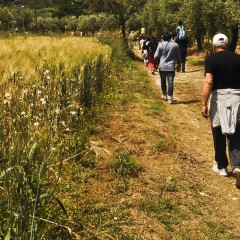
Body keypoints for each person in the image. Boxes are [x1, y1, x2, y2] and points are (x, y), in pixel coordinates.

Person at [201, 33, 240, 188]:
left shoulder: (211, 59)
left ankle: (222, 166)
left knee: (218, 131)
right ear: (227, 44)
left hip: (220, 99)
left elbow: (209, 81)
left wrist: (204, 103)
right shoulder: (238, 58)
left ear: (214, 45)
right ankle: (237, 165)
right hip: (238, 98)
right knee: (236, 133)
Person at [154, 32, 181, 104]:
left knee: (163, 81)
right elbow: (179, 57)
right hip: (171, 67)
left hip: (162, 66)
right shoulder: (175, 45)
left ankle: (164, 95)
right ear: (170, 37)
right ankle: (170, 98)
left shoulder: (160, 45)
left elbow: (156, 56)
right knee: (170, 82)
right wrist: (179, 65)